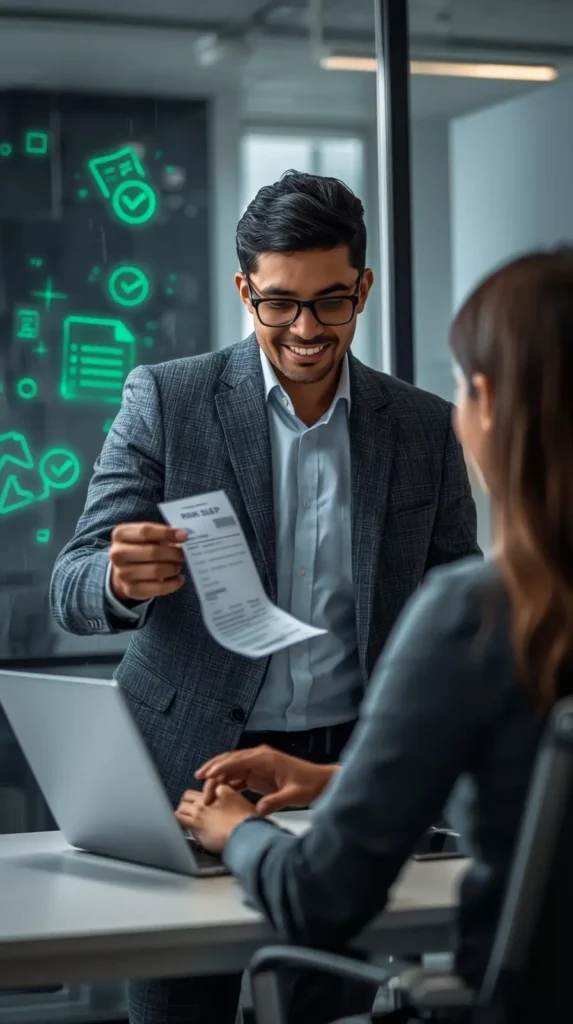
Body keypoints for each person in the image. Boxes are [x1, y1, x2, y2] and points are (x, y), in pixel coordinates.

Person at [50, 170, 478, 1024]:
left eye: (330, 302)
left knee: (321, 1000)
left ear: (363, 288)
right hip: (187, 765)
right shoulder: (168, 399)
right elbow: (73, 582)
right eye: (278, 304)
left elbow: (454, 607)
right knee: (177, 1004)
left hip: (340, 771)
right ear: (245, 289)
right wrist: (114, 577)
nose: (306, 330)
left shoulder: (424, 426)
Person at [177, 248, 573, 1012]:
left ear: (484, 403)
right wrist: (337, 786)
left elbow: (319, 896)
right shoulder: (172, 397)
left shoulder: (479, 612)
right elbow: (535, 795)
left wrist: (236, 834)